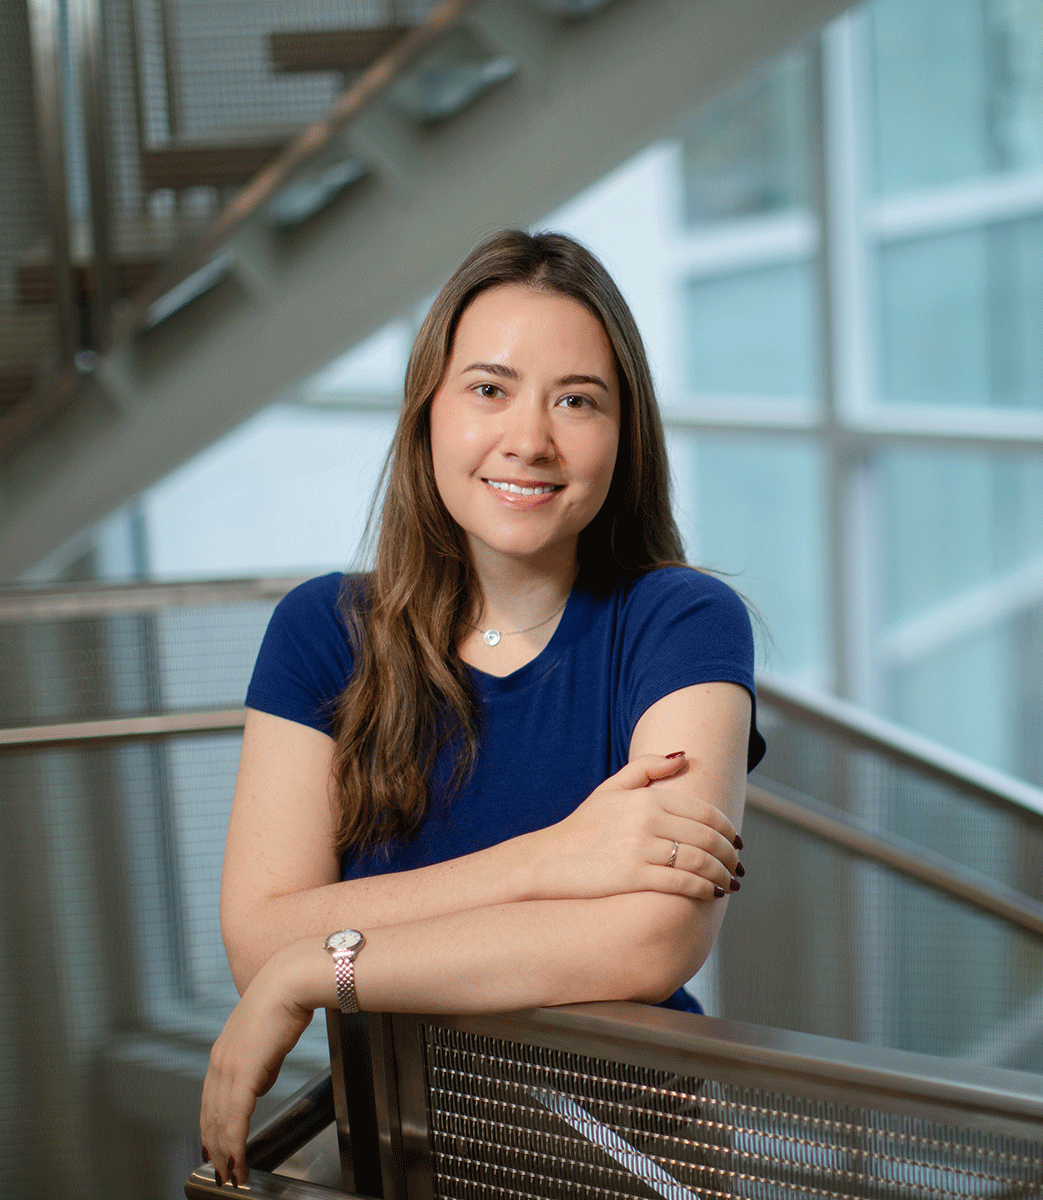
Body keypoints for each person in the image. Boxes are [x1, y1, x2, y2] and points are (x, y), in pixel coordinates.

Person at [198, 230, 762, 1185]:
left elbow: (652, 938)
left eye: (577, 400)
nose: (530, 438)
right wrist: (556, 859)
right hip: (404, 1155)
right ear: (429, 412)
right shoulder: (321, 632)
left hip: (635, 1159)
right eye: (489, 388)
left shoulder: (683, 622)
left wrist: (320, 965)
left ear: (624, 436)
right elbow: (259, 934)